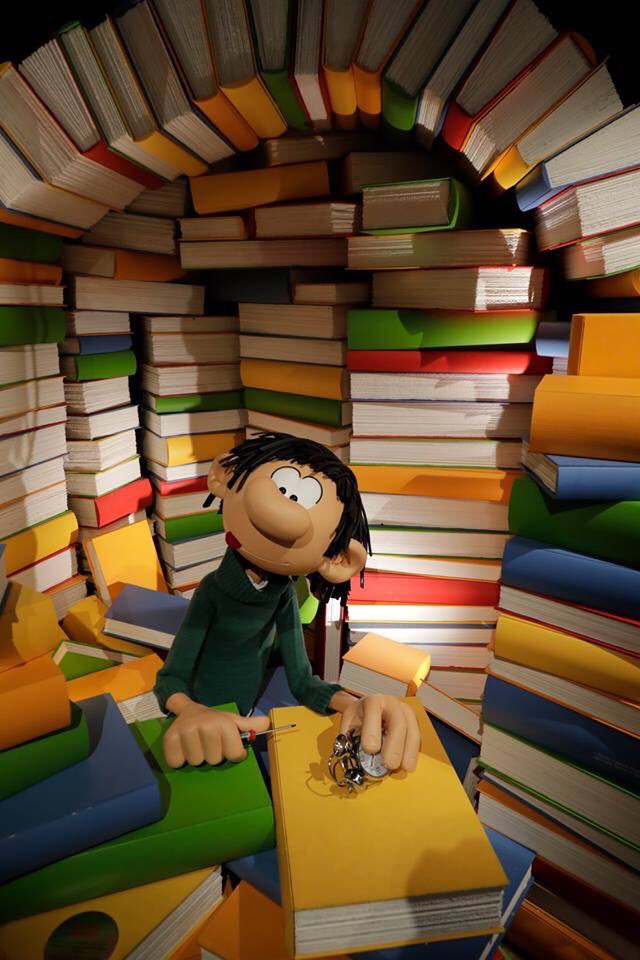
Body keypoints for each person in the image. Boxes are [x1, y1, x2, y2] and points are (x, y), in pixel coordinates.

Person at [155, 431, 421, 773]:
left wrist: (353, 703)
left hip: (248, 721)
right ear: (225, 478)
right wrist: (191, 710)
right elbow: (171, 677)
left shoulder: (282, 596)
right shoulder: (212, 591)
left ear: (338, 560)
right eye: (281, 488)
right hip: (199, 721)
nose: (284, 509)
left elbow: (302, 681)